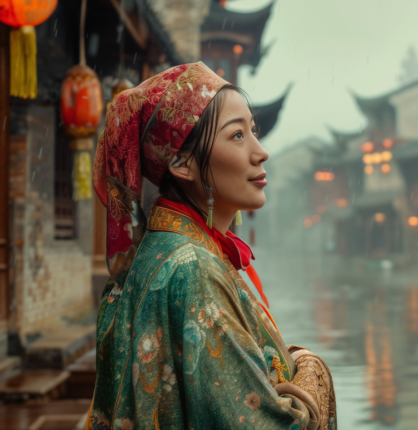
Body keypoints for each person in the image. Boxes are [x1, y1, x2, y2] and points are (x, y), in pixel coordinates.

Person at [87, 63, 335, 430]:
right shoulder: (193, 268)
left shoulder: (168, 248)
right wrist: (310, 367)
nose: (261, 152)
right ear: (181, 163)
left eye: (254, 131)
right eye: (237, 136)